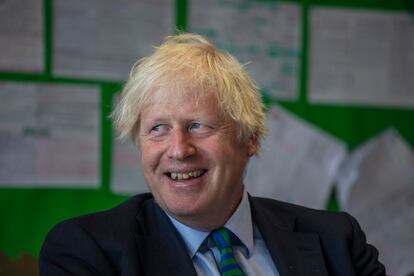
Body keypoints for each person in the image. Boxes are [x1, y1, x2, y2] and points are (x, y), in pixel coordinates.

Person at [40, 33, 386, 276]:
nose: (178, 150)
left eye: (199, 126)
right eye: (157, 129)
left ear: (249, 139)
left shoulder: (337, 241)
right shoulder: (87, 251)